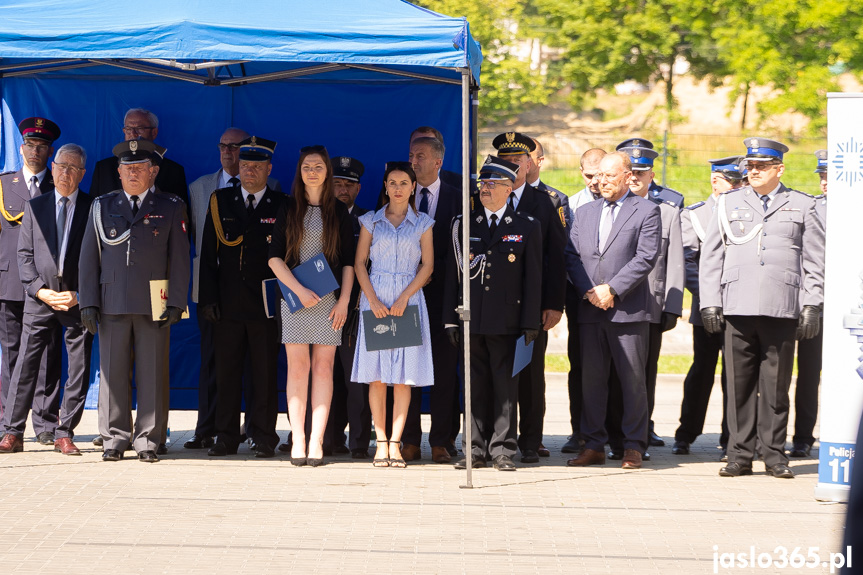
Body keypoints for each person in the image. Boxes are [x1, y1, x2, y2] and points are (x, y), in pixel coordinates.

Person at [700, 137, 824, 479]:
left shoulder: (802, 204)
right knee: (738, 385)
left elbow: (815, 260)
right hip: (737, 305)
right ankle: (739, 455)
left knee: (776, 385)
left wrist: (811, 303)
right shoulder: (728, 203)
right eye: (749, 167)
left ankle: (773, 454)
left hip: (781, 306)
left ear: (778, 169)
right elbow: (712, 256)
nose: (752, 172)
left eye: (760, 167)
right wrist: (710, 302)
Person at [79, 139, 190, 463]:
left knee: (153, 373)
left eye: (140, 168)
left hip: (154, 303)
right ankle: (114, 438)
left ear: (153, 172)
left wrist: (177, 302)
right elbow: (88, 259)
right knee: (112, 374)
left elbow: (180, 259)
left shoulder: (170, 206)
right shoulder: (102, 206)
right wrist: (88, 302)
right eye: (127, 169)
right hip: (112, 301)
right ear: (118, 171)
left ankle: (148, 440)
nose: (133, 174)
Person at [185, 127, 280, 450]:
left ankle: (263, 435)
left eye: (257, 165)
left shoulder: (280, 203)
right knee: (226, 373)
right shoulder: (219, 201)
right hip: (226, 304)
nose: (249, 170)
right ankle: (225, 436)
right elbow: (208, 255)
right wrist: (208, 299)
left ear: (269, 168)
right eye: (245, 164)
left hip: (265, 306)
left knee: (263, 375)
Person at [564, 151, 661, 470]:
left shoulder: (646, 210)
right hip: (591, 309)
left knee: (632, 380)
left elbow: (645, 257)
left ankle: (633, 445)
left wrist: (613, 289)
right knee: (592, 380)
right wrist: (589, 291)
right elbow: (572, 255)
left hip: (628, 311)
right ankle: (593, 444)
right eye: (598, 176)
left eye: (609, 176)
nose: (602, 181)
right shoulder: (586, 212)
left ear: (627, 176)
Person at [444, 155, 541, 471]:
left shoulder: (526, 226)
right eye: (482, 183)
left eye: (491, 183)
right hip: (472, 320)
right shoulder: (464, 223)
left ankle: (502, 450)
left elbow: (533, 280)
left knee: (505, 389)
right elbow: (452, 277)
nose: (484, 189)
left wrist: (530, 323)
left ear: (509, 187)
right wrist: (450, 319)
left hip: (507, 322)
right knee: (473, 387)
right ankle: (473, 449)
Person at [0, 144, 93, 455]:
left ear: (82, 174)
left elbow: (101, 261)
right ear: (52, 168)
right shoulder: (36, 207)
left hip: (76, 301)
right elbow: (24, 256)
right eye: (61, 166)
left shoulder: (94, 208)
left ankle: (63, 432)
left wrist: (80, 294)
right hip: (41, 299)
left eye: (73, 168)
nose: (65, 173)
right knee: (24, 366)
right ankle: (12, 431)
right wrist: (39, 290)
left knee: (77, 370)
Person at [268, 146, 355, 467]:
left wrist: (344, 301)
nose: (313, 172)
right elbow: (274, 257)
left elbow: (348, 263)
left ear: (327, 172)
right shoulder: (288, 208)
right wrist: (299, 290)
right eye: (307, 166)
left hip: (329, 303)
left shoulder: (339, 212)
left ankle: (317, 440)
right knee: (298, 369)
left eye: (318, 166)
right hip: (295, 300)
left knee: (323, 369)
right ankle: (299, 439)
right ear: (300, 172)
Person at [352, 162, 435, 468]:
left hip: (408, 299)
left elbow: (427, 265)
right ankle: (381, 442)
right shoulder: (370, 221)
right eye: (392, 183)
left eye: (404, 183)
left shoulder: (424, 222)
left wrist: (405, 297)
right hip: (376, 296)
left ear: (413, 186)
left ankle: (397, 444)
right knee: (376, 377)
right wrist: (371, 299)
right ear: (385, 186)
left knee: (402, 379)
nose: (398, 188)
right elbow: (360, 262)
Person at [605, 144, 684, 458]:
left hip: (649, 305)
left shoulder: (667, 209)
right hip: (612, 303)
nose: (636, 178)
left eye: (641, 172)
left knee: (642, 376)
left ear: (652, 174)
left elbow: (675, 259)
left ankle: (640, 433)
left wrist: (672, 306)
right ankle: (613, 436)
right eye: (631, 172)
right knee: (610, 375)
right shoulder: (604, 206)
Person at [492, 131, 567, 463]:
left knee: (531, 376)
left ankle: (531, 441)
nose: (512, 166)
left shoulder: (546, 202)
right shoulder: (486, 196)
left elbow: (556, 257)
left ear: (528, 164)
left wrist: (553, 304)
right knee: (496, 372)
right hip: (494, 305)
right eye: (505, 161)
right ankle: (496, 438)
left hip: (532, 307)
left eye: (517, 161)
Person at [672, 156, 743, 457]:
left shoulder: (746, 209)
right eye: (734, 182)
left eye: (741, 181)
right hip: (707, 308)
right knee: (701, 371)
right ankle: (686, 433)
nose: (740, 187)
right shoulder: (696, 215)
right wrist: (711, 296)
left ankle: (732, 439)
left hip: (742, 307)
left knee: (736, 375)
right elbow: (688, 262)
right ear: (715, 180)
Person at [0, 117, 62, 447]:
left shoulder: (59, 185)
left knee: (48, 356)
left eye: (42, 147)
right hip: (9, 283)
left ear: (50, 151)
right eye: (30, 145)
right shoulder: (3, 184)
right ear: (21, 148)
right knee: (11, 356)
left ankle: (46, 423)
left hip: (46, 286)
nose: (35, 152)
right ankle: (10, 426)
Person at [400, 136, 461, 464]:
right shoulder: (398, 196)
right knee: (407, 369)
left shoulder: (459, 199)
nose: (414, 161)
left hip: (444, 301)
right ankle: (409, 440)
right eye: (411, 155)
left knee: (443, 372)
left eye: (420, 156)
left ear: (438, 162)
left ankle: (441, 440)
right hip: (406, 298)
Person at [562, 148, 606, 454]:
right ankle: (578, 430)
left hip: (616, 296)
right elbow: (569, 255)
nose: (594, 182)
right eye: (588, 176)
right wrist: (586, 290)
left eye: (599, 175)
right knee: (579, 365)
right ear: (581, 172)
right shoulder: (570, 205)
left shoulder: (622, 201)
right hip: (580, 296)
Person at [328, 156, 372, 459]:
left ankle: (358, 442)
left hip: (355, 311)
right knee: (323, 377)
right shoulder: (316, 217)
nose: (343, 190)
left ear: (358, 189)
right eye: (338, 183)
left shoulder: (369, 220)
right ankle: (327, 439)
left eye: (349, 185)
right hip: (318, 309)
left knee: (356, 380)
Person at [790, 149, 828, 458]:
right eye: (822, 176)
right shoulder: (813, 208)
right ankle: (803, 436)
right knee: (808, 371)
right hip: (815, 301)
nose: (825, 182)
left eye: (830, 176)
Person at [90, 108, 188, 205]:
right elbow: (94, 211)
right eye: (128, 129)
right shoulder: (103, 169)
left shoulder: (174, 171)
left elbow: (181, 214)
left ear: (154, 133)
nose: (133, 134)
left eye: (140, 128)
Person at [615, 138, 684, 208]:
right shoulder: (611, 201)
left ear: (651, 177)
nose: (633, 178)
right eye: (629, 173)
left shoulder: (671, 200)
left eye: (640, 173)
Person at [528, 137, 572, 230]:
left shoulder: (556, 199)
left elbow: (561, 240)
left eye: (527, 157)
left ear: (539, 161)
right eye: (517, 158)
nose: (522, 162)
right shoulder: (502, 193)